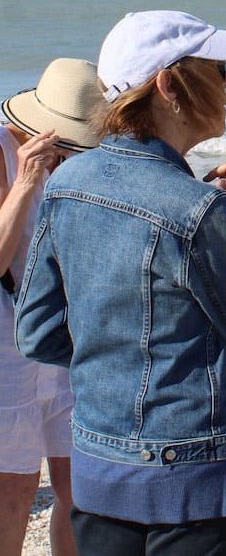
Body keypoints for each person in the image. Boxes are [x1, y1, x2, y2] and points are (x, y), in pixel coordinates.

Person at [15, 11, 226, 555]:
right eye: (216, 69)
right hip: (197, 470)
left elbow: (38, 334)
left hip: (101, 458)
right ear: (169, 83)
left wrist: (115, 362)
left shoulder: (67, 182)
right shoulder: (197, 209)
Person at [0, 58, 103, 556]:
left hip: (66, 341)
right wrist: (24, 182)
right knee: (14, 494)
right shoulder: (2, 152)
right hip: (6, 345)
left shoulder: (80, 162)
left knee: (82, 489)